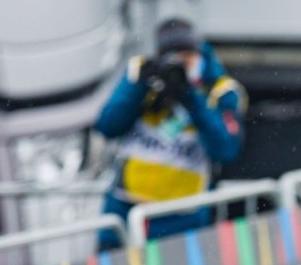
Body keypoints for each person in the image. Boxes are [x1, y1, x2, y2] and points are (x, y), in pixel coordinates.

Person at [94, 17, 247, 249]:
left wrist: (191, 98)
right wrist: (140, 87)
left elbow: (226, 149)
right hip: (126, 208)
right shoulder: (144, 75)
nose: (181, 66)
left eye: (187, 58)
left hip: (183, 217)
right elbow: (107, 125)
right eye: (175, 59)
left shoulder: (220, 91)